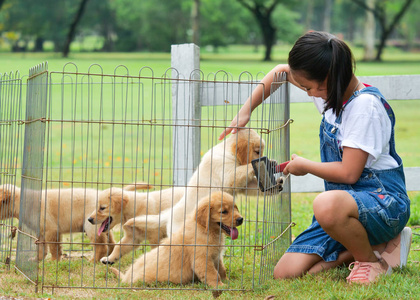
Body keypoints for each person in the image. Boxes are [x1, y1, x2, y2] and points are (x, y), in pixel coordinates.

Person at [219, 31, 411, 284]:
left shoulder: (364, 108)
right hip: (344, 207)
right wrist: (245, 112)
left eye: (309, 87)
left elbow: (349, 174)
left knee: (325, 204)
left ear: (328, 79)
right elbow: (281, 71)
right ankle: (378, 244)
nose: (310, 94)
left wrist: (305, 166)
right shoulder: (331, 93)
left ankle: (370, 262)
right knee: (286, 273)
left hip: (382, 204)